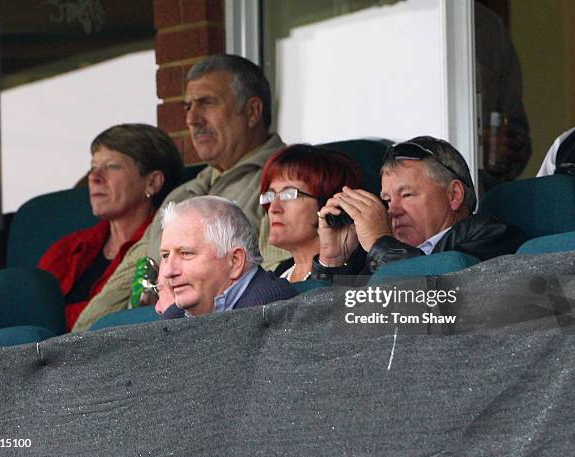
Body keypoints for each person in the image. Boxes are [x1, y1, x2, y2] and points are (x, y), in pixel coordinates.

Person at [72, 54, 289, 331]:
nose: (191, 118)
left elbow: (280, 281)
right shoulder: (180, 196)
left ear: (252, 111)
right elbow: (122, 283)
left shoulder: (285, 180)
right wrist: (72, 346)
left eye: (207, 103)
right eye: (187, 107)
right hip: (151, 340)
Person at [313, 136, 526, 281]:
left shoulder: (495, 236)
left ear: (454, 195)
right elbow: (336, 326)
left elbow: (442, 302)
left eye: (407, 195)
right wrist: (332, 261)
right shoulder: (377, 255)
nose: (392, 211)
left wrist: (381, 244)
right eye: (386, 200)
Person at [38, 123, 183, 330]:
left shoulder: (167, 249)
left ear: (152, 183)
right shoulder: (65, 249)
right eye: (93, 167)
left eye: (112, 166)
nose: (94, 177)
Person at [154, 196, 298, 319]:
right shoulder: (174, 316)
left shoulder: (270, 308)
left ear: (234, 262)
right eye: (166, 256)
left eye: (186, 253)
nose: (169, 272)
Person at [259, 144, 363, 282]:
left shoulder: (358, 275)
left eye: (290, 194)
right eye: (271, 195)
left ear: (329, 202)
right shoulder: (281, 272)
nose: (273, 208)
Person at [475, 2, 532, 190]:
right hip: (391, 194)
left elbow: (516, 136)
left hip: (476, 199)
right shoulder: (386, 17)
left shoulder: (488, 27)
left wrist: (490, 150)